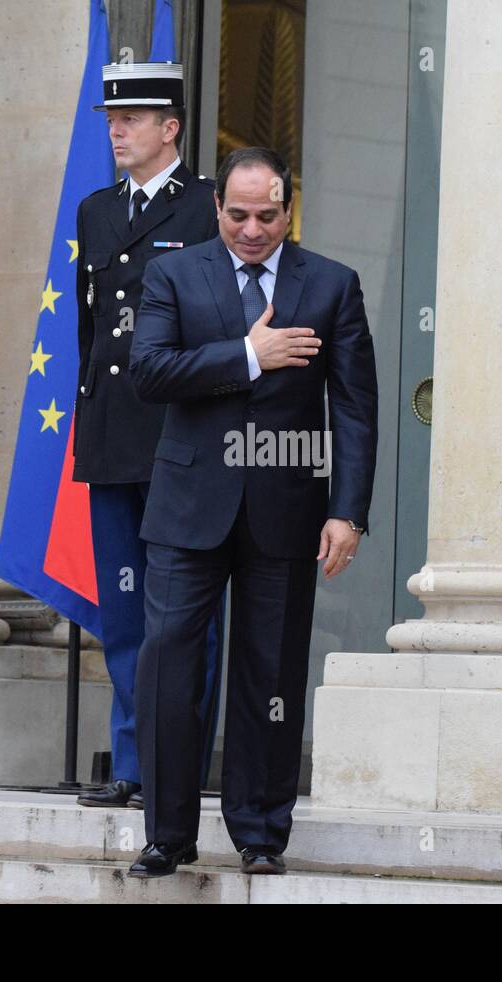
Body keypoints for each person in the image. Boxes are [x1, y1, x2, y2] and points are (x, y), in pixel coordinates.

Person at [126, 146, 378, 877]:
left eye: (267, 215)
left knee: (269, 674)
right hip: (187, 505)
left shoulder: (331, 284)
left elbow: (356, 410)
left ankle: (262, 833)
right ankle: (167, 833)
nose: (252, 229)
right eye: (237, 214)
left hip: (288, 508)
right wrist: (246, 354)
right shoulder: (174, 273)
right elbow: (148, 372)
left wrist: (349, 511)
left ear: (288, 211)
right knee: (168, 660)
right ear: (216, 209)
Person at [73, 63, 224, 809]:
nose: (116, 128)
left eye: (131, 117)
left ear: (171, 127)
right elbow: (88, 332)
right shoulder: (96, 211)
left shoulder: (207, 209)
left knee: (183, 613)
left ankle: (177, 769)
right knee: (125, 614)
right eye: (111, 116)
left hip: (177, 438)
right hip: (110, 434)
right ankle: (132, 762)